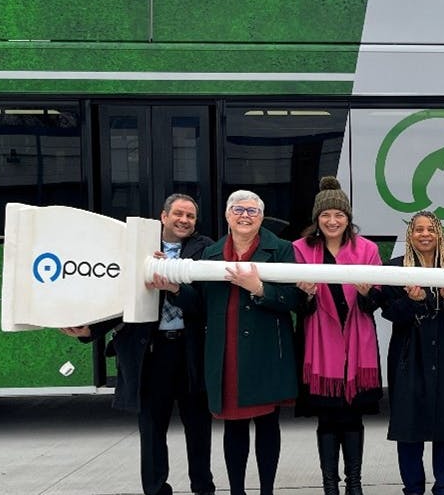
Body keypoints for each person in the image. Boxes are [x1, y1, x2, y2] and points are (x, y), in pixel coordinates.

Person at [62, 193, 216, 495]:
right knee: (152, 429)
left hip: (190, 351)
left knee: (199, 427)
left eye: (191, 216)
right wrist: (88, 330)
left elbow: (203, 303)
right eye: (179, 214)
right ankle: (156, 489)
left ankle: (203, 487)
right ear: (163, 216)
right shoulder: (138, 247)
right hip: (151, 352)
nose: (184, 220)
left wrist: (173, 285)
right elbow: (120, 298)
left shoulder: (205, 249)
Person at [169, 190, 303, 495]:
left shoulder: (281, 249)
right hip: (226, 351)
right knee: (234, 426)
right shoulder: (211, 253)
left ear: (261, 217)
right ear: (228, 215)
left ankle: (267, 490)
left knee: (268, 425)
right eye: (239, 210)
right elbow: (199, 304)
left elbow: (293, 299)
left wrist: (260, 289)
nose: (245, 216)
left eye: (253, 211)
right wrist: (175, 288)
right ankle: (237, 491)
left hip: (266, 352)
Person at [292, 176, 384, 495]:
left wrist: (365, 294)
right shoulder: (300, 249)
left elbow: (376, 303)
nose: (332, 221)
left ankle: (354, 483)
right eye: (326, 215)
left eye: (339, 215)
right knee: (328, 419)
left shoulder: (368, 249)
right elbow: (295, 306)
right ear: (317, 219)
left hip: (358, 343)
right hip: (320, 345)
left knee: (353, 417)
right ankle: (330, 484)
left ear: (348, 218)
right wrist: (304, 296)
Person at [379, 211, 444, 495]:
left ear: (439, 235)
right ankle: (413, 488)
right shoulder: (396, 269)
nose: (424, 234)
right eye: (418, 229)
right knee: (409, 429)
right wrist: (414, 301)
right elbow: (390, 313)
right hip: (410, 357)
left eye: (430, 229)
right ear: (410, 235)